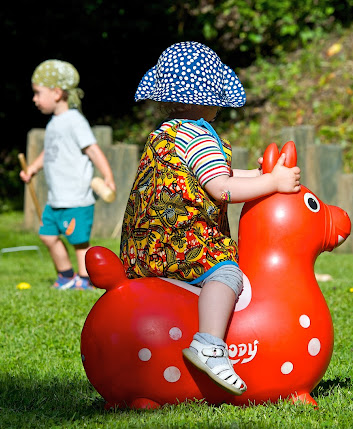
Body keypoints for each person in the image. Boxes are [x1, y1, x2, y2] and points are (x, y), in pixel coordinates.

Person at [120, 42, 301, 395]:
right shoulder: (200, 136)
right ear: (206, 98)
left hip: (145, 247)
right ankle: (210, 345)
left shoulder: (167, 134)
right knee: (227, 273)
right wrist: (274, 183)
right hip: (183, 244)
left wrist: (261, 174)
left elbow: (219, 175)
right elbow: (222, 189)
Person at [21, 60, 115, 291]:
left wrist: (107, 175)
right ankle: (66, 276)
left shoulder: (74, 121)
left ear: (57, 92)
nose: (34, 99)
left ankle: (84, 280)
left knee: (79, 242)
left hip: (76, 198)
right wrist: (33, 167)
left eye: (37, 93)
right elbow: (50, 151)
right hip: (56, 198)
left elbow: (92, 149)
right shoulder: (54, 123)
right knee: (47, 236)